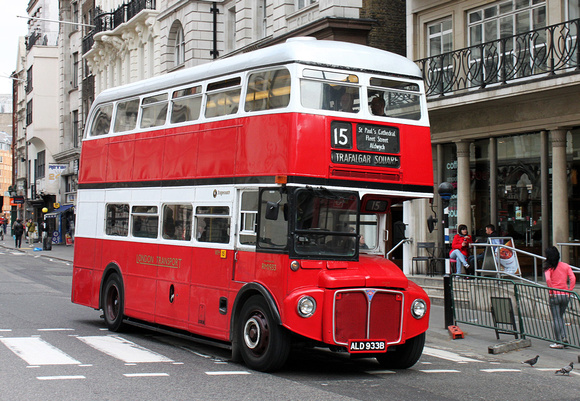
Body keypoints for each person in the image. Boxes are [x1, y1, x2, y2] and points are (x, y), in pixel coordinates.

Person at [543, 246, 576, 349]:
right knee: (561, 316)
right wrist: (569, 291)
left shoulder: (549, 268)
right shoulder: (565, 266)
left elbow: (548, 279)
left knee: (556, 318)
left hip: (555, 295)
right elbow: (573, 278)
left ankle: (558, 341)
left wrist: (551, 290)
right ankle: (563, 336)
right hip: (565, 294)